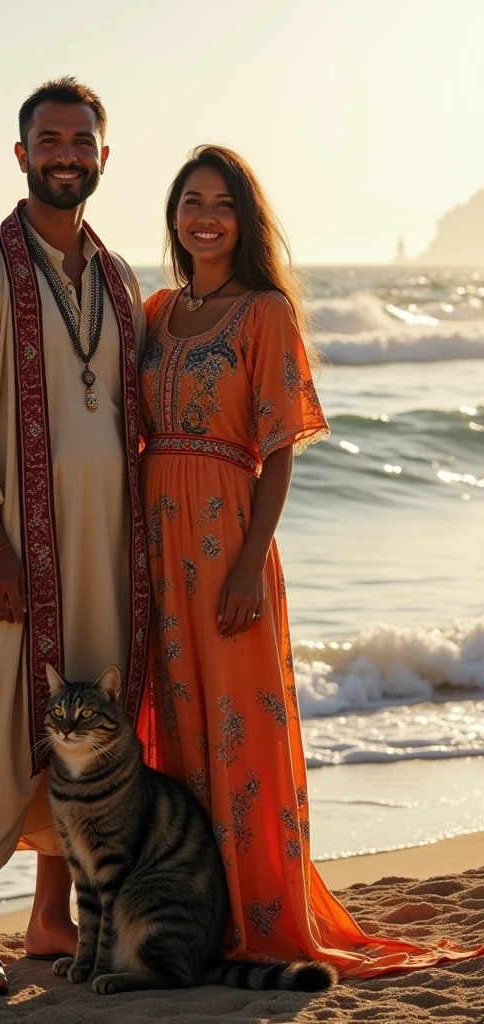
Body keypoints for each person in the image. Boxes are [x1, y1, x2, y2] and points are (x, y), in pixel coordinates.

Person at [137, 144, 483, 977]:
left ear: (244, 220)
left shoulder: (264, 313)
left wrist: (251, 562)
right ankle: (191, 917)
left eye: (223, 202)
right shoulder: (152, 311)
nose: (206, 215)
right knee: (178, 736)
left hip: (228, 540)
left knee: (238, 733)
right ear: (174, 215)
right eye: (192, 200)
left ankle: (259, 917)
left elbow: (279, 449)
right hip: (153, 544)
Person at [0, 77, 149, 996]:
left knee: (84, 735)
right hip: (17, 547)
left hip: (107, 550)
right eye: (49, 140)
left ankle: (51, 917)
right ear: (22, 156)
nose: (66, 154)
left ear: (102, 156)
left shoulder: (121, 276)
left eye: (80, 141)